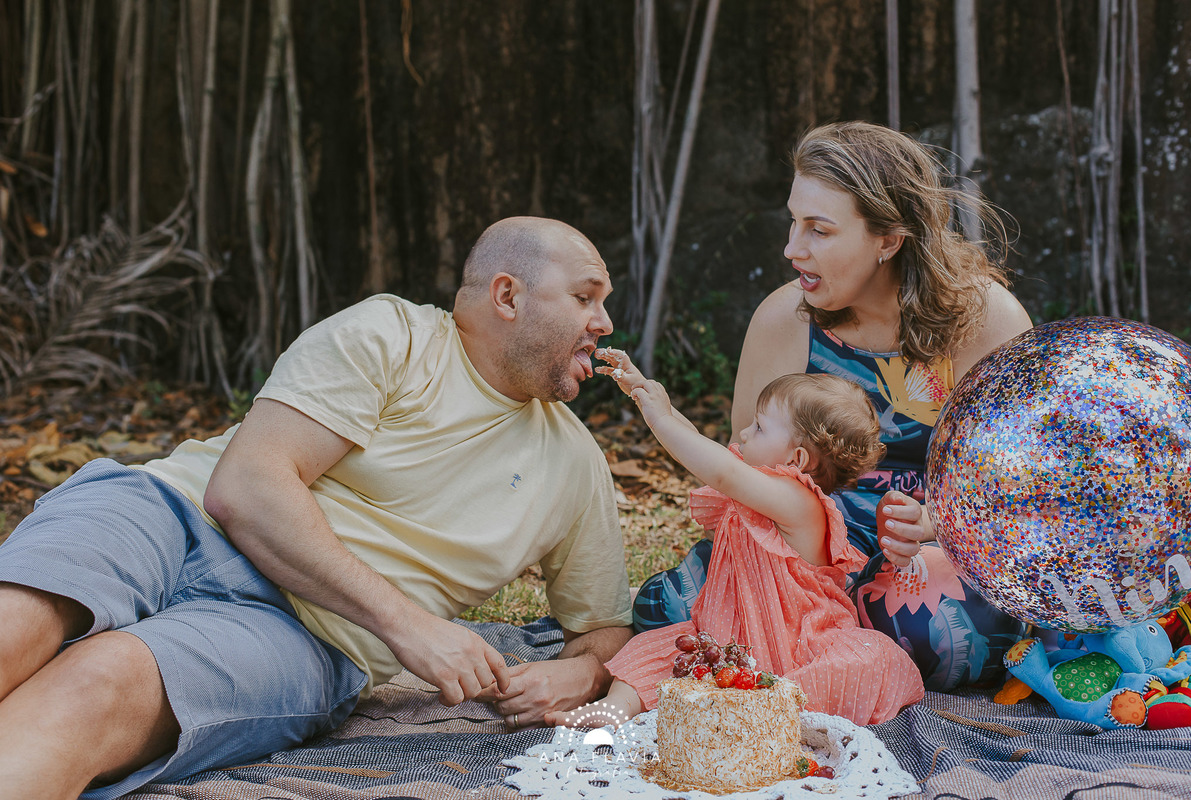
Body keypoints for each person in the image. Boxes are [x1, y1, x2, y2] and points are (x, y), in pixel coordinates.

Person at [0, 217, 634, 799]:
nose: (604, 322)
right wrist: (414, 628)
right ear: (508, 296)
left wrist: (578, 674)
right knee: (21, 620)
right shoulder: (395, 335)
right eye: (585, 297)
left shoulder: (575, 465)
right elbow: (246, 487)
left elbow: (603, 629)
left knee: (97, 686)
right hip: (173, 513)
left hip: (304, 638)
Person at [632, 121, 1033, 639]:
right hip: (800, 551)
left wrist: (937, 522)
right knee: (667, 608)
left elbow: (1014, 482)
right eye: (794, 223)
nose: (792, 249)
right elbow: (747, 465)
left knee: (938, 630)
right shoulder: (783, 321)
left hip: (928, 553)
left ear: (888, 239)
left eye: (819, 230)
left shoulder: (986, 320)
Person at [548, 348, 924, 727]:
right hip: (729, 640)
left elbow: (722, 471)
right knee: (650, 653)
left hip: (793, 645)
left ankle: (764, 717)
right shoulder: (758, 486)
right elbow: (700, 445)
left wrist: (659, 419)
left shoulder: (799, 501)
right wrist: (647, 393)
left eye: (759, 427)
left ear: (796, 460)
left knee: (842, 670)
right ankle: (612, 713)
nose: (744, 432)